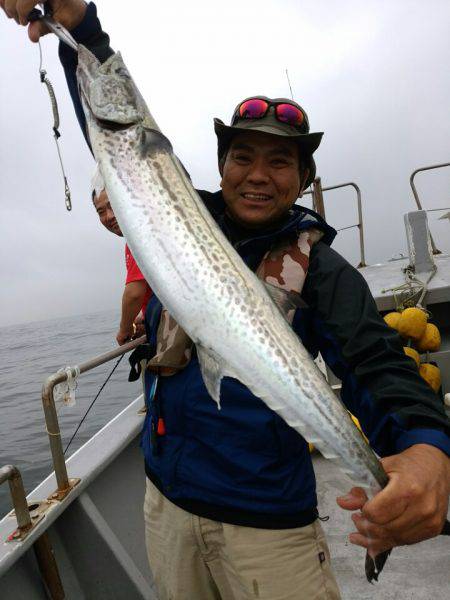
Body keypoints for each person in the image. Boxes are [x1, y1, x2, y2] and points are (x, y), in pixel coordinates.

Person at [3, 3, 450, 599]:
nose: (258, 175)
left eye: (279, 161)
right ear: (221, 166)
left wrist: (427, 447)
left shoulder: (320, 270)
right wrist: (80, 29)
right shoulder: (176, 210)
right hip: (167, 505)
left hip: (269, 528)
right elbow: (119, 126)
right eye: (243, 157)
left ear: (302, 178)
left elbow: (378, 364)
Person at [91, 170, 152, 344]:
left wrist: (124, 330)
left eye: (113, 205)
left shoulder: (140, 236)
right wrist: (144, 316)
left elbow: (134, 293)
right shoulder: (133, 239)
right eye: (101, 211)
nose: (108, 217)